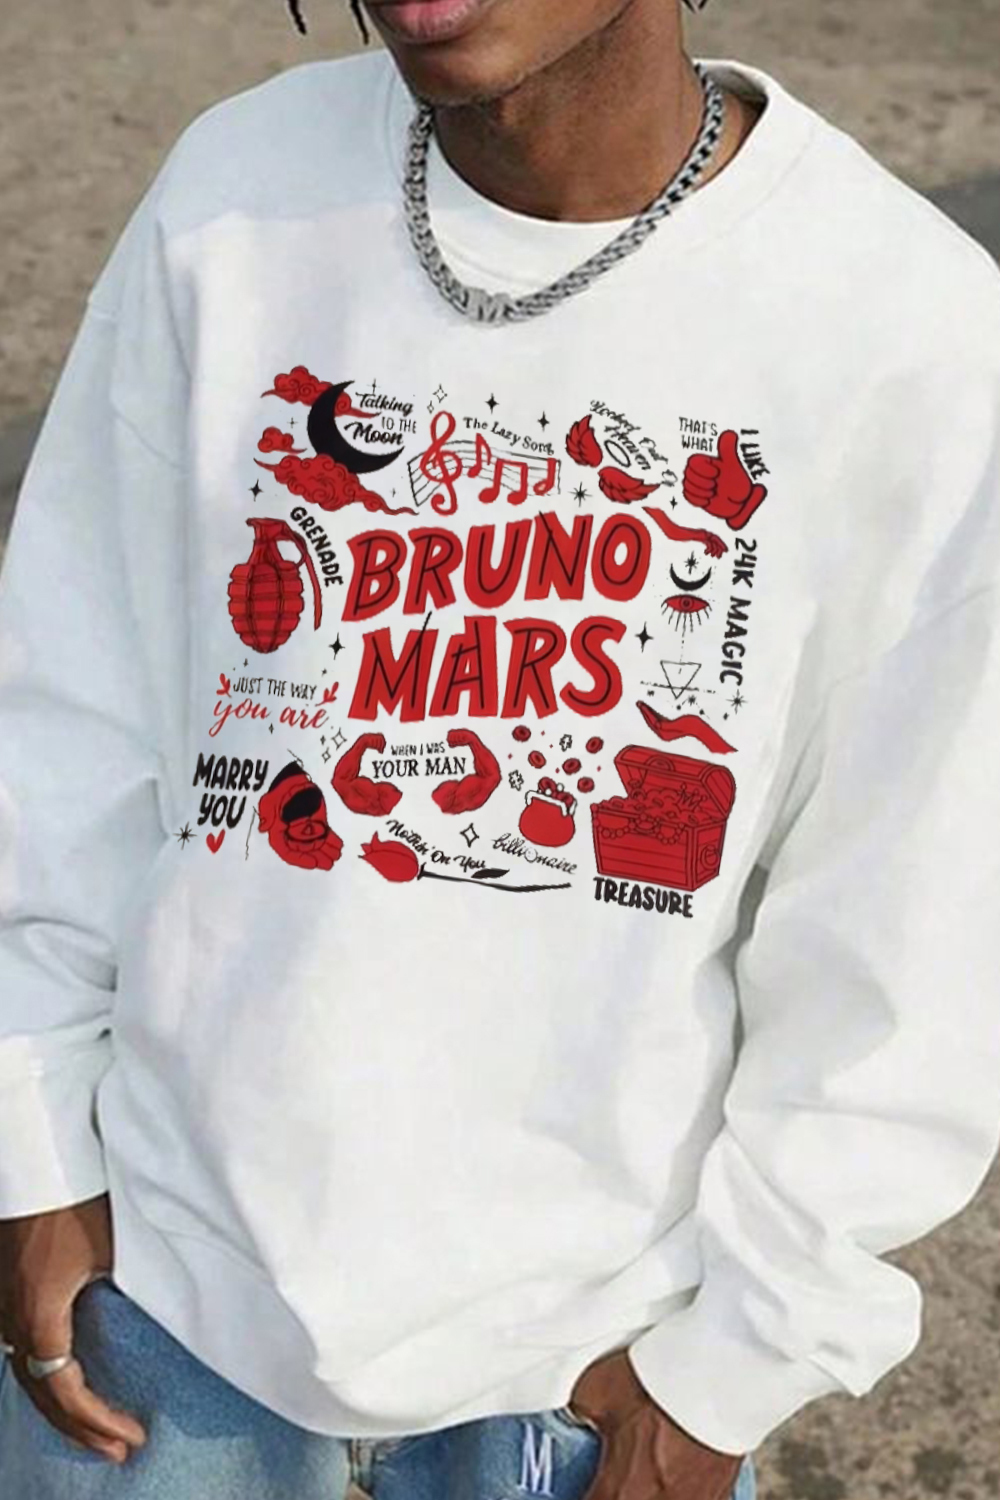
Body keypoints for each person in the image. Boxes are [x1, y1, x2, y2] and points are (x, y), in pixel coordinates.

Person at [2, 0, 999, 1496]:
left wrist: (733, 1370)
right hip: (161, 1294)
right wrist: (27, 1145)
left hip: (584, 1363)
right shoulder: (241, 191)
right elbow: (72, 700)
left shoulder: (904, 321)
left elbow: (916, 907)